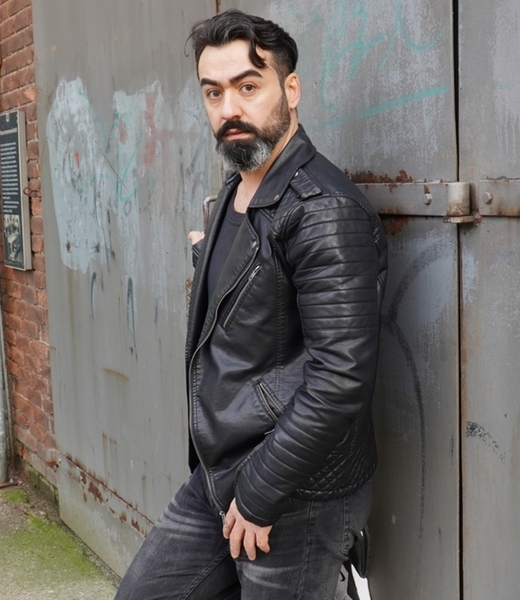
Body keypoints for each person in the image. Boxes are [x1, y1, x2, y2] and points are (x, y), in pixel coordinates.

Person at [115, 9, 387, 600]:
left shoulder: (322, 210)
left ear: (291, 89)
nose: (229, 109)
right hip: (222, 474)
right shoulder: (238, 188)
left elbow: (340, 377)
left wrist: (261, 491)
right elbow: (265, 298)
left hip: (296, 491)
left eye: (247, 86)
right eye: (213, 92)